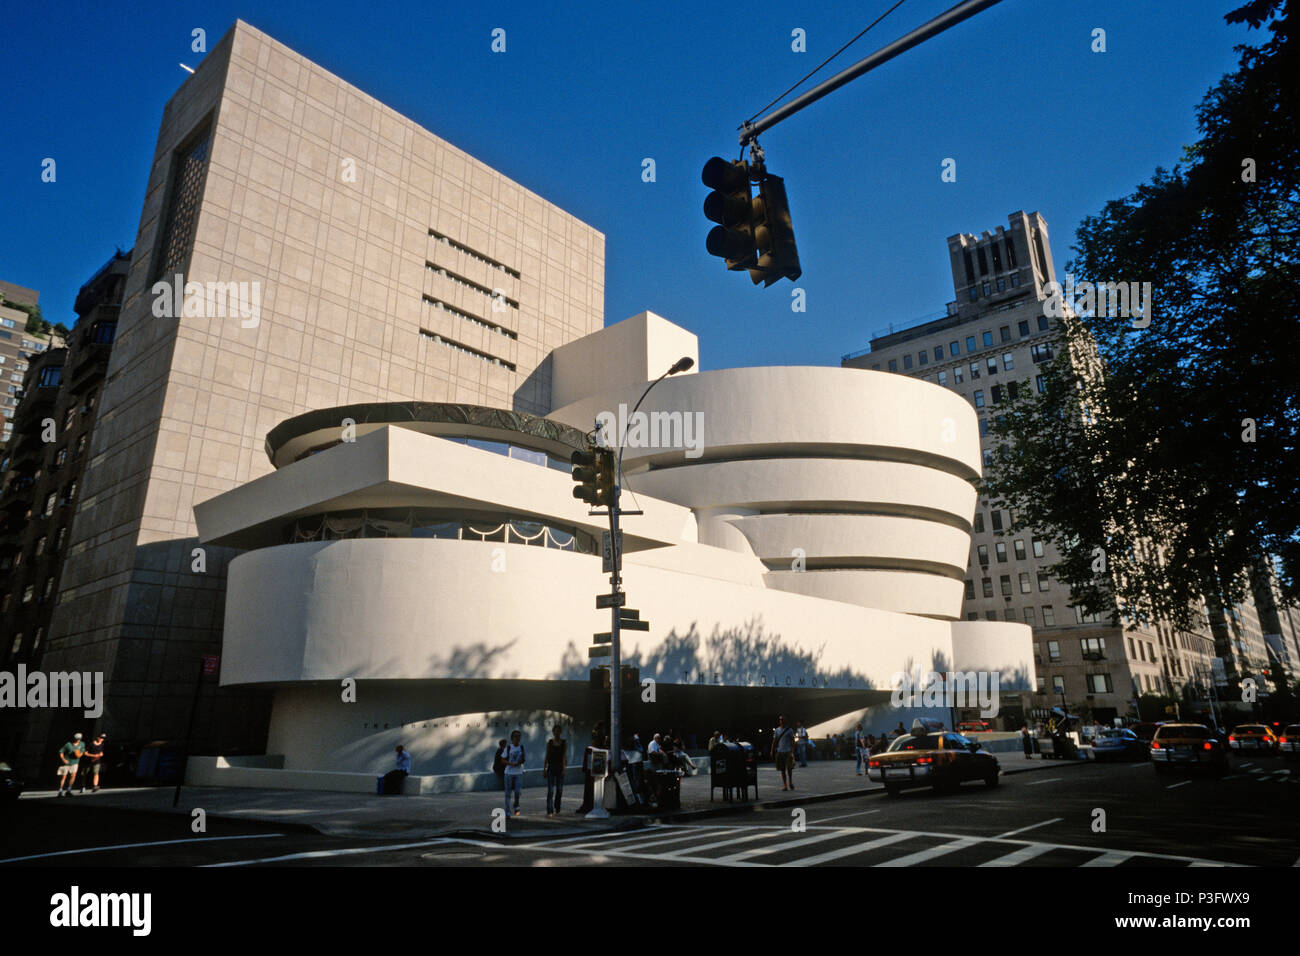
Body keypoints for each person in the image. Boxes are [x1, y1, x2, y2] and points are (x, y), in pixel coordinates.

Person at [543, 724, 566, 818]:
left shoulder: (564, 742)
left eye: (558, 731)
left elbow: (564, 756)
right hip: (551, 767)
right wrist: (544, 768)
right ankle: (549, 810)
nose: (557, 733)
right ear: (553, 732)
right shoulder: (550, 742)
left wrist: (564, 768)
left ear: (560, 732)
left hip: (560, 767)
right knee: (551, 790)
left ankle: (557, 806)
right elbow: (547, 755)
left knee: (559, 790)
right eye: (555, 731)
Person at [503, 730, 526, 816]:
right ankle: (507, 812)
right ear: (512, 738)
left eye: (519, 736)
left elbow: (524, 758)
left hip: (518, 773)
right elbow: (502, 760)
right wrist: (511, 763)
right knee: (508, 793)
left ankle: (516, 805)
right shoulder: (508, 748)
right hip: (509, 773)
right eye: (515, 736)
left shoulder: (521, 747)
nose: (517, 738)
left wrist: (520, 761)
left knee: (517, 792)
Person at [771, 715, 796, 791]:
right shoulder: (777, 730)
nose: (781, 721)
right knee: (782, 769)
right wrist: (771, 750)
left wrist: (792, 750)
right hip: (780, 751)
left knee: (789, 768)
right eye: (780, 720)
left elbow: (793, 740)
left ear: (785, 721)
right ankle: (785, 785)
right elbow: (774, 741)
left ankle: (790, 782)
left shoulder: (789, 730)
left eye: (783, 720)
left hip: (788, 751)